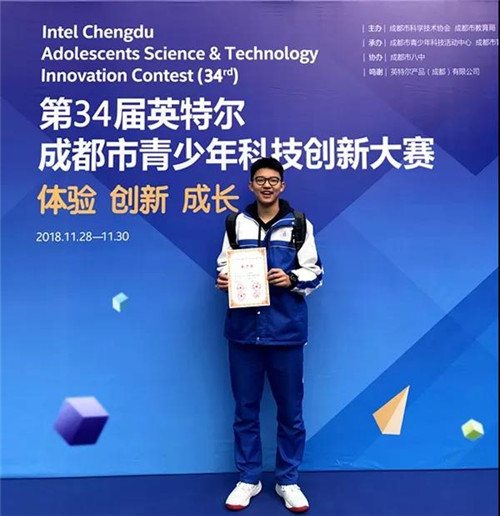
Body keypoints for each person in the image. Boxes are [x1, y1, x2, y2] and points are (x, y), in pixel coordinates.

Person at [216, 157, 323, 512]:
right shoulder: (235, 223)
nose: (267, 185)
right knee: (245, 410)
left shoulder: (300, 224)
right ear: (250, 185)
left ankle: (287, 480)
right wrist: (224, 279)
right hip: (244, 333)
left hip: (286, 333)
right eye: (260, 180)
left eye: (273, 180)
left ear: (282, 185)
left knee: (290, 412)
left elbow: (315, 273)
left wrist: (290, 279)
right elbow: (224, 264)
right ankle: (249, 478)